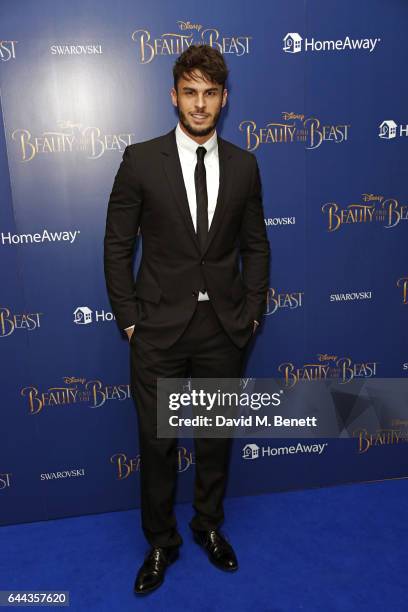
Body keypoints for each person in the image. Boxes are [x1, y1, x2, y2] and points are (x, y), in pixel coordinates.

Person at [103, 44, 270, 595]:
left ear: (224, 100)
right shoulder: (140, 160)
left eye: (211, 94)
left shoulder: (246, 165)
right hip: (158, 330)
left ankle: (208, 526)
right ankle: (160, 542)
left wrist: (248, 315)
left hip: (223, 329)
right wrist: (130, 320)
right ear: (174, 96)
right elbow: (116, 245)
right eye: (190, 92)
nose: (200, 105)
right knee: (158, 444)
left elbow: (256, 247)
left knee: (215, 438)